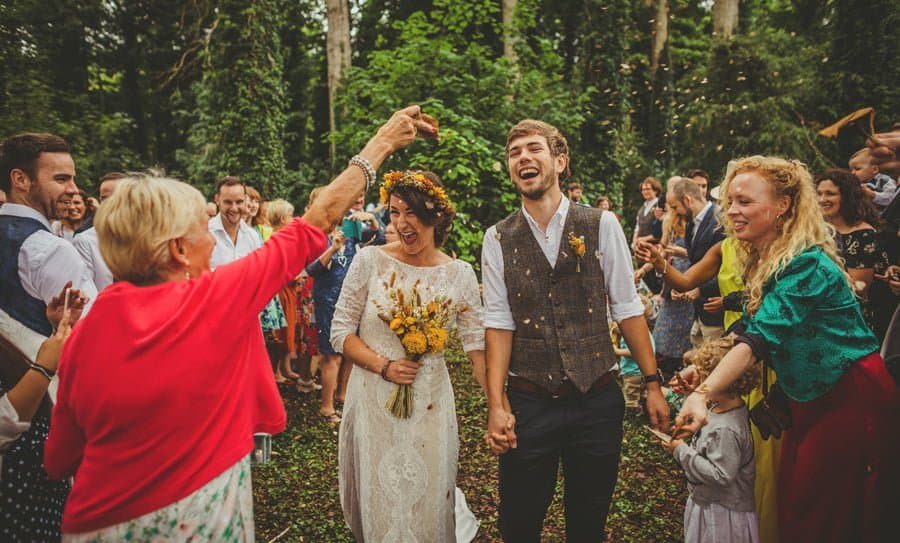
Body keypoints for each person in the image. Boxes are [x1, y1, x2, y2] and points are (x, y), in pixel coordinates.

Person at [42, 105, 432, 540]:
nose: (212, 240)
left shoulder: (84, 331)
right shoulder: (215, 299)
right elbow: (318, 221)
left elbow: (58, 459)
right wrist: (382, 141)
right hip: (191, 519)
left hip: (92, 525)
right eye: (202, 228)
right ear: (178, 250)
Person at [676, 156, 900, 542]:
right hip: (809, 399)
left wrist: (703, 393)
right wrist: (706, 367)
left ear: (783, 204)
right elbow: (750, 324)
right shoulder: (771, 259)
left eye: (745, 201)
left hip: (849, 396)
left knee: (829, 515)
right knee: (801, 503)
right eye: (730, 201)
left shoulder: (806, 263)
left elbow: (760, 337)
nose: (732, 210)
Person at [482, 120, 668, 542]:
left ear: (560, 161)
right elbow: (499, 323)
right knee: (518, 523)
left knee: (588, 523)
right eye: (514, 153)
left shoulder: (602, 224)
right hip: (530, 401)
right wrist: (496, 403)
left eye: (534, 149)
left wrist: (653, 383)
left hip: (596, 400)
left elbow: (627, 308)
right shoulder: (497, 237)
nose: (523, 158)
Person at [330, 170, 486, 541]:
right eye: (395, 212)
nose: (400, 223)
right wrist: (383, 366)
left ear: (435, 215)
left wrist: (499, 404)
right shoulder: (369, 261)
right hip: (373, 402)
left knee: (428, 496)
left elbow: (477, 346)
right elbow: (340, 332)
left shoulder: (460, 274)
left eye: (411, 213)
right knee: (380, 500)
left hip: (430, 404)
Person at [0, 132, 98, 540]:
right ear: (20, 180)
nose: (73, 189)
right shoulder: (47, 249)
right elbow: (91, 339)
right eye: (60, 179)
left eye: (72, 178)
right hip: (39, 419)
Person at [664, 335, 760, 543]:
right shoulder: (721, 406)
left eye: (706, 377)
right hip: (710, 503)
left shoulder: (726, 429)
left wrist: (681, 451)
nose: (702, 382)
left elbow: (721, 475)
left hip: (722, 515)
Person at [815, 169, 888, 328]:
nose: (822, 199)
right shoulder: (816, 230)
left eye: (830, 194)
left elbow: (859, 288)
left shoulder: (863, 235)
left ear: (847, 197)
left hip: (851, 318)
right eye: (819, 193)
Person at [666, 176, 726, 346]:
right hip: (699, 313)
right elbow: (696, 263)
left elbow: (727, 267)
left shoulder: (720, 220)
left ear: (687, 200)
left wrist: (700, 289)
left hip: (717, 313)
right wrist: (682, 285)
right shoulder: (691, 223)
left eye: (675, 207)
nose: (674, 212)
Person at [73, 172, 126, 292]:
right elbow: (85, 291)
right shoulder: (85, 241)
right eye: (104, 198)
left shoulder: (144, 238)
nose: (109, 204)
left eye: (116, 197)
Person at [209, 176, 261, 269]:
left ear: (245, 200)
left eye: (239, 202)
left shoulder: (253, 236)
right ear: (217, 200)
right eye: (228, 202)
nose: (234, 208)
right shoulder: (205, 234)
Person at [632, 176, 662, 248]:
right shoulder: (642, 208)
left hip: (655, 248)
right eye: (643, 190)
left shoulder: (660, 206)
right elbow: (637, 227)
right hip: (641, 247)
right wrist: (634, 241)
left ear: (655, 191)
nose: (645, 192)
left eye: (648, 189)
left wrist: (644, 239)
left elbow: (662, 231)